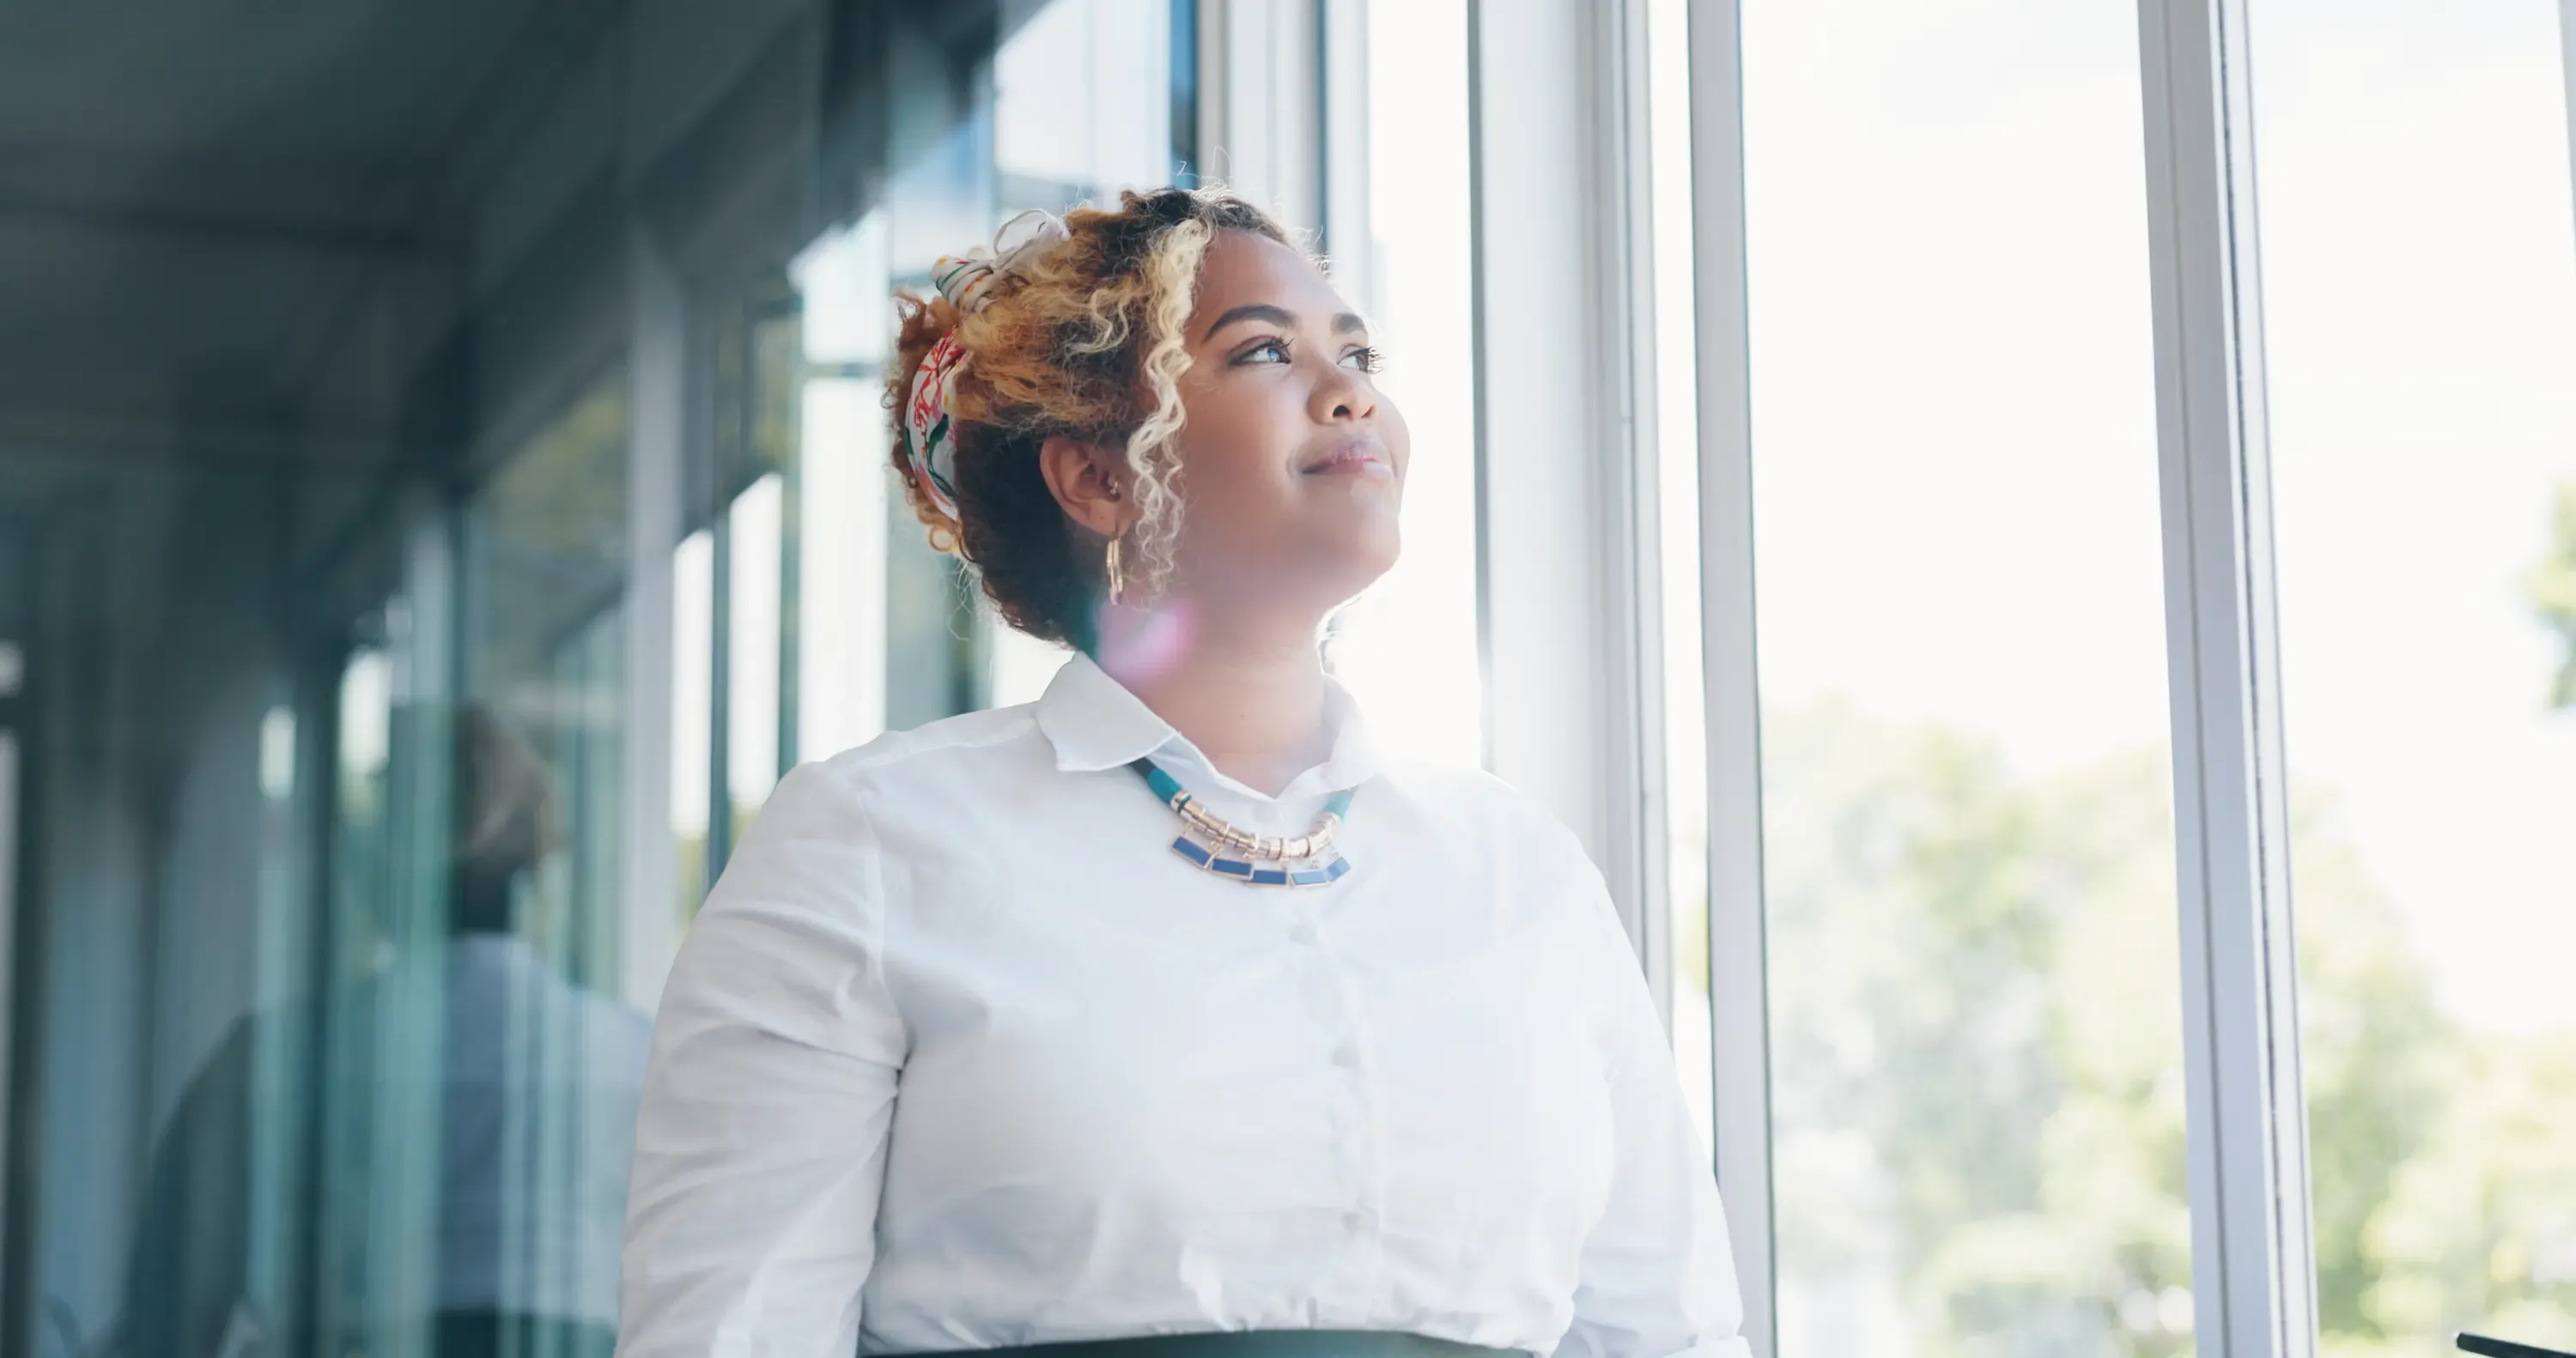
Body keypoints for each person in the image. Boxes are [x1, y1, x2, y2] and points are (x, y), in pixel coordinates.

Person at [617, 187, 1750, 1358]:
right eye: (1263, 349)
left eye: (1355, 349)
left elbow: (1667, 1327)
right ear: (1100, 479)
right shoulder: (867, 842)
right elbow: (728, 1333)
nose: (1351, 386)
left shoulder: (1520, 867)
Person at [119, 705, 651, 1358]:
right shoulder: (641, 1056)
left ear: (378, 864)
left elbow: (168, 1313)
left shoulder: (278, 1054)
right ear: (539, 872)